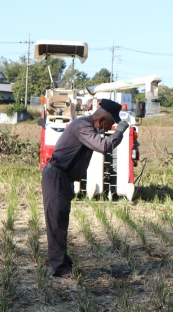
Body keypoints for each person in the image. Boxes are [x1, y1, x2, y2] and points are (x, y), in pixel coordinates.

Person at [42, 99, 129, 278]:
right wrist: (120, 131)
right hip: (56, 177)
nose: (107, 129)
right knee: (56, 223)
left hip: (63, 178)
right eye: (110, 124)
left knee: (61, 221)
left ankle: (63, 262)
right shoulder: (82, 126)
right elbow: (104, 146)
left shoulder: (84, 125)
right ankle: (60, 269)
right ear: (102, 119)